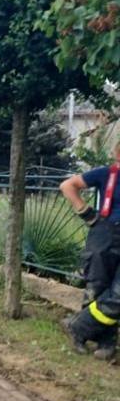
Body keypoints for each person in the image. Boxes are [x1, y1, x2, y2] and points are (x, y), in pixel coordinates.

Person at [60, 146, 120, 362]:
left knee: (117, 295)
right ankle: (105, 343)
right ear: (117, 154)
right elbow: (68, 186)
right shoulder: (106, 174)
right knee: (97, 287)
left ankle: (77, 326)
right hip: (105, 233)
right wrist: (87, 215)